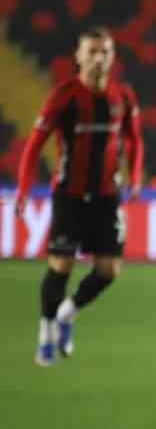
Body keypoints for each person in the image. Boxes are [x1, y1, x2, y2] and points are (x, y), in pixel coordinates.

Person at [14, 27, 143, 366]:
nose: (99, 58)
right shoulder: (64, 96)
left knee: (110, 270)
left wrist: (136, 175)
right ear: (79, 57)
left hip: (106, 196)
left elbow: (134, 138)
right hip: (69, 195)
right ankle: (45, 333)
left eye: (105, 52)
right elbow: (33, 147)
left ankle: (67, 313)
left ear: (112, 57)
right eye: (92, 52)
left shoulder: (123, 98)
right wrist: (25, 188)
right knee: (61, 265)